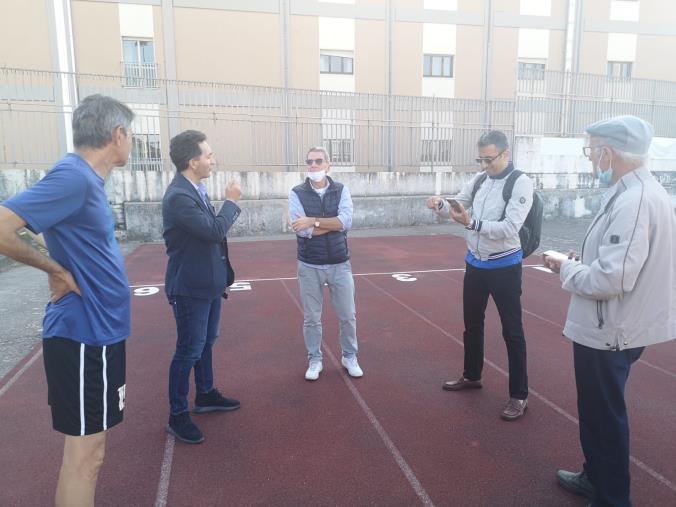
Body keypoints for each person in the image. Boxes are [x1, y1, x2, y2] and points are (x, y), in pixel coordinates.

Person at [0, 94, 134, 506]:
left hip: (101, 332)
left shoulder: (84, 181)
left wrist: (56, 255)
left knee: (92, 453)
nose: (131, 142)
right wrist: (55, 271)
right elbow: (4, 226)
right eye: (131, 135)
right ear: (117, 135)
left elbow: (47, 228)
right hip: (82, 335)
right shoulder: (73, 177)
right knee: (85, 457)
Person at [544, 116, 676, 507]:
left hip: (610, 330)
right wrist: (583, 259)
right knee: (598, 412)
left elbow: (611, 280)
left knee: (604, 418)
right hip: (617, 326)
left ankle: (612, 497)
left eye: (591, 151)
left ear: (609, 153)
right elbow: (617, 262)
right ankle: (595, 478)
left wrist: (564, 267)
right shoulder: (640, 193)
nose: (590, 161)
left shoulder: (634, 201)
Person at [426, 130, 533, 421]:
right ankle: (472, 375)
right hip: (475, 263)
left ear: (505, 154)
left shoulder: (521, 183)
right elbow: (458, 205)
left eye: (489, 159)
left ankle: (519, 395)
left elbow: (510, 228)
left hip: (505, 266)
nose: (484, 165)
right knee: (472, 324)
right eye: (481, 159)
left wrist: (471, 223)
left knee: (512, 331)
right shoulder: (480, 179)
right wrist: (440, 205)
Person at [162, 130, 242, 444]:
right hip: (190, 288)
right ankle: (177, 414)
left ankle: (206, 393)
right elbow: (212, 231)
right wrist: (231, 203)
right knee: (188, 351)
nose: (212, 160)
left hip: (207, 285)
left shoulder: (194, 188)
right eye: (208, 155)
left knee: (207, 341)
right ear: (193, 161)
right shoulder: (179, 196)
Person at [289, 146, 362, 381]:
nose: (313, 166)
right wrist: (327, 224)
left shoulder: (341, 190)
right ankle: (314, 359)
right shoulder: (296, 193)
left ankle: (349, 356)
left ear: (328, 165)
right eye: (309, 161)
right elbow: (302, 232)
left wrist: (313, 221)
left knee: (348, 315)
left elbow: (346, 222)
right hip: (310, 265)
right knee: (311, 318)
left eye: (318, 161)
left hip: (339, 263)